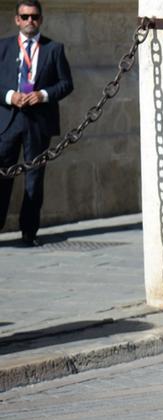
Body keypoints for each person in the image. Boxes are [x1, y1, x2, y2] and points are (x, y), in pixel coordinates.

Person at [0, 0, 73, 246]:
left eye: (34, 16)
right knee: (2, 175)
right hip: (8, 121)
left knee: (34, 179)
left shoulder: (54, 48)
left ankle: (29, 232)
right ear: (17, 20)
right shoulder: (3, 47)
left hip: (38, 122)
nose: (30, 21)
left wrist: (42, 95)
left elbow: (66, 84)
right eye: (25, 16)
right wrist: (11, 96)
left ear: (40, 19)